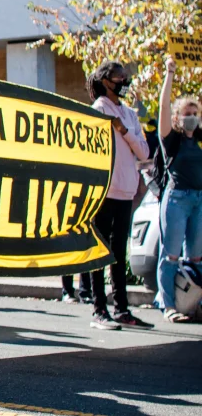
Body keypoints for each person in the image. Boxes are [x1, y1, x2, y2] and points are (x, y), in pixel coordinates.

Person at [85, 61, 153, 330]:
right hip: (105, 190)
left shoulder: (128, 114)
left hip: (126, 190)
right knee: (100, 250)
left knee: (118, 252)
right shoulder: (99, 109)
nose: (123, 82)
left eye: (125, 78)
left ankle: (122, 308)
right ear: (105, 81)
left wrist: (124, 132)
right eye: (118, 78)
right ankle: (99, 309)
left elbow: (145, 153)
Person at [155, 57, 202, 324]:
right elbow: (163, 106)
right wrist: (170, 73)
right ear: (177, 117)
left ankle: (194, 303)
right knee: (170, 255)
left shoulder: (200, 139)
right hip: (176, 200)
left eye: (195, 113)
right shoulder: (171, 140)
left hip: (199, 200)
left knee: (196, 257)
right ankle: (168, 305)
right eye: (187, 113)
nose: (192, 118)